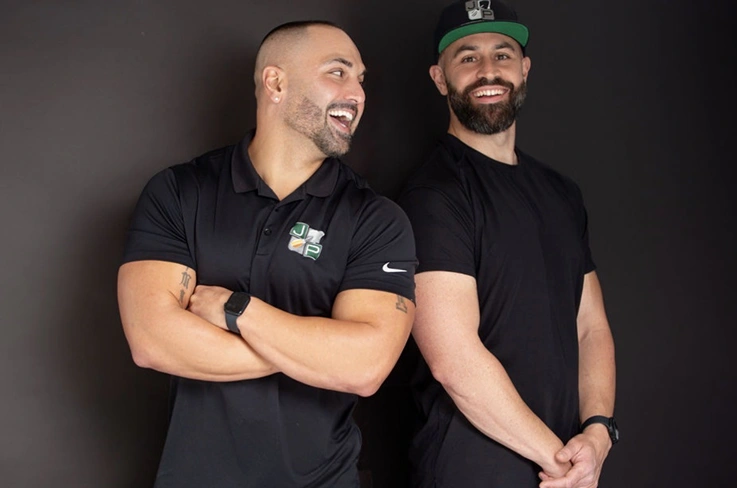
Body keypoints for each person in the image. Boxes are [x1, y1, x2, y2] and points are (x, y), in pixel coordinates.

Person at [117, 20, 416, 488]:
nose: (357, 93)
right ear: (275, 82)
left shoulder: (376, 219)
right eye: (338, 72)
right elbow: (151, 341)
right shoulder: (180, 192)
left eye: (361, 79)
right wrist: (316, 353)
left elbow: (365, 367)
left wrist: (237, 310)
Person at [397, 1, 617, 487]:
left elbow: (590, 326)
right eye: (468, 57)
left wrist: (598, 432)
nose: (488, 70)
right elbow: (454, 360)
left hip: (564, 465)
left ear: (525, 69)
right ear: (440, 78)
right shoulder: (434, 194)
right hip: (473, 470)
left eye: (502, 54)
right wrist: (562, 462)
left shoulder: (561, 193)